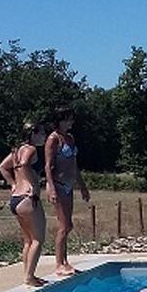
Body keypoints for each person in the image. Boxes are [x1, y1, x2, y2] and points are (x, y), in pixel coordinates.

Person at [0, 122, 49, 287]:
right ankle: (29, 276)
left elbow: (3, 167)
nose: (45, 136)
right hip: (28, 198)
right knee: (38, 239)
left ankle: (27, 274)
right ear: (33, 134)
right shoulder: (31, 149)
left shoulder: (16, 150)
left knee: (28, 240)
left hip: (16, 199)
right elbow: (25, 164)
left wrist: (13, 183)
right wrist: (33, 185)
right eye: (42, 133)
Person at [45, 106, 90, 278]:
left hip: (69, 185)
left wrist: (82, 186)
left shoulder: (70, 138)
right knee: (63, 227)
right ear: (60, 120)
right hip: (58, 184)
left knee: (68, 225)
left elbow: (74, 165)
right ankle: (58, 264)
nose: (71, 122)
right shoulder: (53, 139)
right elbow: (48, 166)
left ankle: (65, 260)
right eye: (68, 118)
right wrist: (51, 188)